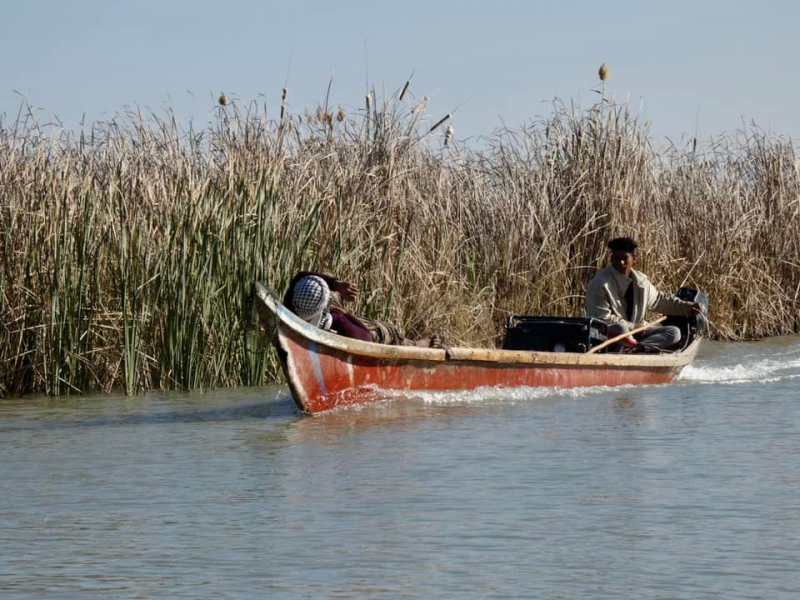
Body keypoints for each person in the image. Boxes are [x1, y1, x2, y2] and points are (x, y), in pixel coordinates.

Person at [585, 237, 703, 351]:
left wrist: (688, 307)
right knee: (620, 328)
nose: (620, 262)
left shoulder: (641, 282)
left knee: (674, 332)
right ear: (611, 259)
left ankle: (638, 348)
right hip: (611, 336)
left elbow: (659, 301)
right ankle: (632, 346)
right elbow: (602, 318)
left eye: (624, 258)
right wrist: (634, 327)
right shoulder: (599, 284)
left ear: (634, 259)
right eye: (616, 258)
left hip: (637, 334)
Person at [283, 271, 441, 348]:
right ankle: (417, 344)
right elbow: (365, 336)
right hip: (344, 322)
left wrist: (336, 285)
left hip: (337, 316)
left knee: (388, 333)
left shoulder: (295, 297)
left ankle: (419, 345)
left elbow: (302, 276)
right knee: (385, 332)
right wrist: (343, 314)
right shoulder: (334, 321)